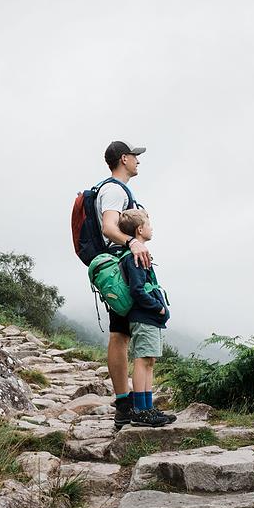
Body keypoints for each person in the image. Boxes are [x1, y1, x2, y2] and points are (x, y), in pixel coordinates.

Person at [98, 140, 156, 428]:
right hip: (120, 267)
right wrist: (133, 242)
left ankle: (127, 405)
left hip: (119, 264)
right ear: (124, 159)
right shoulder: (112, 190)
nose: (138, 161)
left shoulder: (116, 190)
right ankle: (125, 405)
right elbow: (108, 227)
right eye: (135, 156)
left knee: (120, 332)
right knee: (120, 335)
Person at [117, 209, 172, 426]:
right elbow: (137, 290)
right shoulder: (134, 257)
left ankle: (148, 407)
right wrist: (158, 308)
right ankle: (140, 410)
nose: (152, 227)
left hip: (150, 319)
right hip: (144, 317)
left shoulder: (140, 255)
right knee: (142, 360)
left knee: (149, 360)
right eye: (149, 224)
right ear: (140, 229)